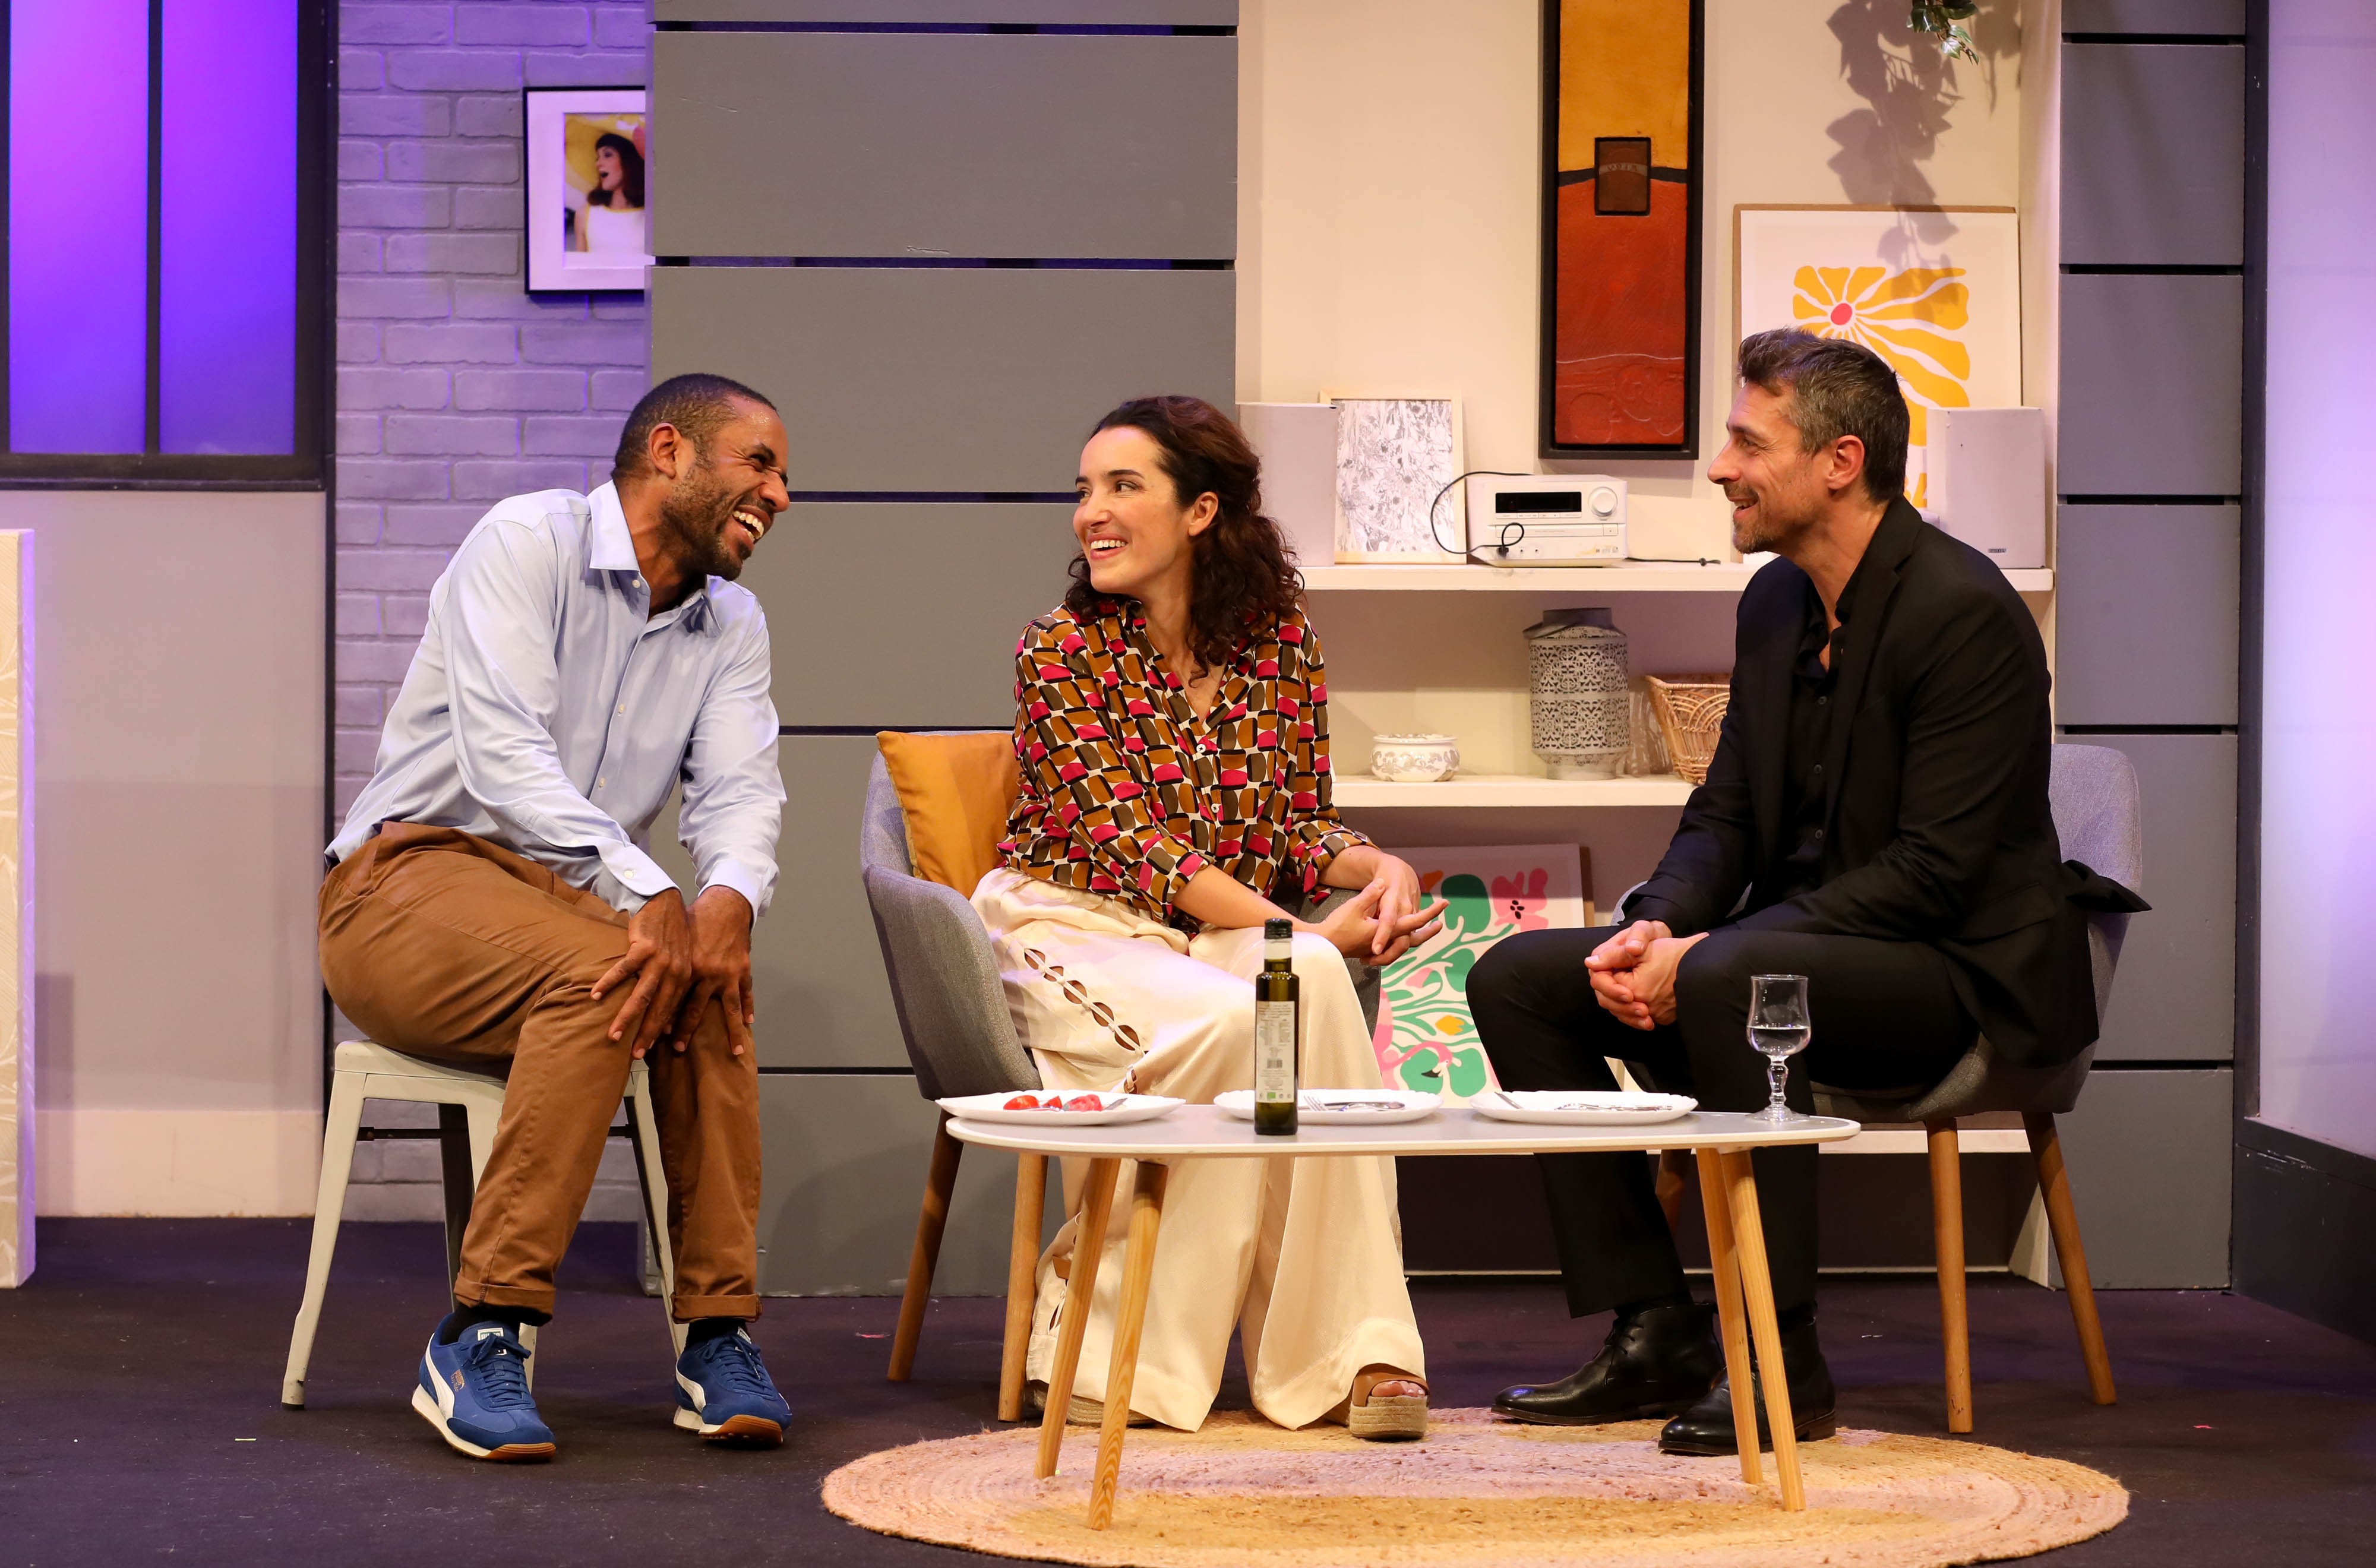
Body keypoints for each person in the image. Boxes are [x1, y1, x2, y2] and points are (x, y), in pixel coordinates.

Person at [1465, 330, 2142, 1455]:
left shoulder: (1964, 611)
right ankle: (1655, 1327)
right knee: (1524, 978)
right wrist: (1652, 926)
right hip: (1794, 956)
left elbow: (1934, 872)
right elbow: (1725, 812)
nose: (1720, 468)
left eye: (1747, 442)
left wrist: (1704, 957)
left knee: (1740, 977)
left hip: (1953, 975)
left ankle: (1783, 1356)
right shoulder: (1777, 602)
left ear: (1839, 462)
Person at [320, 373, 794, 1462]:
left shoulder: (732, 623)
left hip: (571, 905)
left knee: (702, 976)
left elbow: (741, 791)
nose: (780, 494)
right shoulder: (526, 542)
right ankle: (480, 1327)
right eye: (760, 463)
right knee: (610, 970)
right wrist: (653, 891)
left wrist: (727, 899)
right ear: (669, 452)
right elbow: (504, 758)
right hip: (405, 881)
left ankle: (717, 1332)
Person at [974, 395, 1445, 1440]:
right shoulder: (1060, 651)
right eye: (1086, 490)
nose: (1091, 512)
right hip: (1071, 923)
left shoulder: (1282, 645)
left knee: (1307, 987)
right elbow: (1139, 847)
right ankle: (1103, 1347)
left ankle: (1356, 1349)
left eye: (1123, 486)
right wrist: (1297, 933)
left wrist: (1380, 866)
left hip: (1203, 940)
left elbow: (1297, 824)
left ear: (1200, 511)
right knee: (1257, 1006)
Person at [579, 130, 646, 255]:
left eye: (608, 155)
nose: (598, 164)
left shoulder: (654, 215)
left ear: (629, 160)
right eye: (598, 158)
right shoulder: (584, 215)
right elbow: (579, 266)